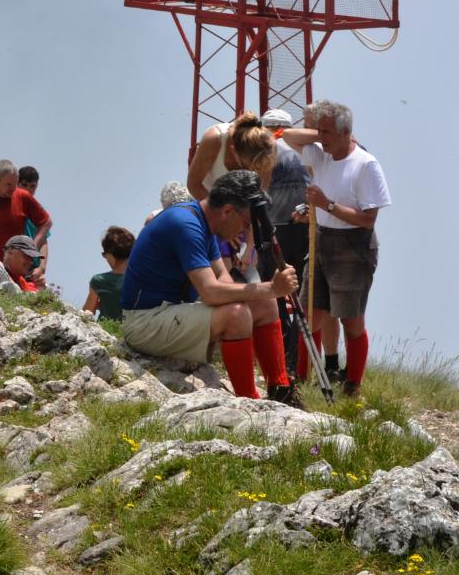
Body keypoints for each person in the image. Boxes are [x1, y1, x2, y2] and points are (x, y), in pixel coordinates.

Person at [120, 170, 302, 406]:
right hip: (144, 323)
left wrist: (266, 293)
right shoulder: (185, 224)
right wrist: (271, 288)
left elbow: (224, 281)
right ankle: (250, 403)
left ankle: (282, 391)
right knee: (237, 314)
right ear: (227, 210)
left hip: (169, 312)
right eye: (246, 223)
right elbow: (210, 292)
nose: (244, 232)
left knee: (263, 303)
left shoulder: (201, 221)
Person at [281, 100, 391, 397]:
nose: (321, 137)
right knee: (310, 314)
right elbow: (286, 136)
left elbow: (368, 219)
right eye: (319, 131)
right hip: (322, 241)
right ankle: (303, 379)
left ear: (346, 132)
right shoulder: (321, 155)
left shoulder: (365, 164)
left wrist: (326, 205)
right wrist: (319, 134)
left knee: (350, 319)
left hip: (352, 247)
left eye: (328, 132)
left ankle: (352, 384)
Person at [259, 108, 311, 375]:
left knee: (274, 295)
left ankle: (280, 357)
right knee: (301, 297)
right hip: (303, 230)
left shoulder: (262, 153)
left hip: (271, 231)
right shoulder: (306, 153)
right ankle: (295, 360)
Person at [186, 111, 277, 198]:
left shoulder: (267, 148)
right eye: (247, 167)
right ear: (233, 151)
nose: (251, 171)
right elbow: (194, 185)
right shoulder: (214, 140)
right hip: (204, 199)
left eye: (256, 168)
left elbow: (261, 191)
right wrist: (218, 212)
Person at [83, 226, 133, 321]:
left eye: (104, 254)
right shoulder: (141, 278)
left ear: (110, 253)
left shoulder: (99, 281)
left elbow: (87, 312)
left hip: (105, 332)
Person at [18, 165, 50, 277]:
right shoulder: (8, 205)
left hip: (33, 269)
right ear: (17, 184)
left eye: (32, 186)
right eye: (24, 185)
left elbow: (43, 242)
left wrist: (42, 268)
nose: (28, 190)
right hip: (11, 263)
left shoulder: (38, 211)